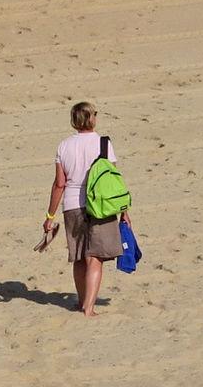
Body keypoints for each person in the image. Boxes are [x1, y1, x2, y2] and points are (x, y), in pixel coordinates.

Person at [42, 100, 131, 318]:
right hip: (100, 205)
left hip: (72, 205)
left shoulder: (63, 146)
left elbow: (59, 184)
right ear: (91, 118)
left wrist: (49, 216)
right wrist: (124, 212)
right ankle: (89, 308)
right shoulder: (104, 143)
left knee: (79, 257)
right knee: (95, 258)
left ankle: (80, 301)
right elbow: (113, 182)